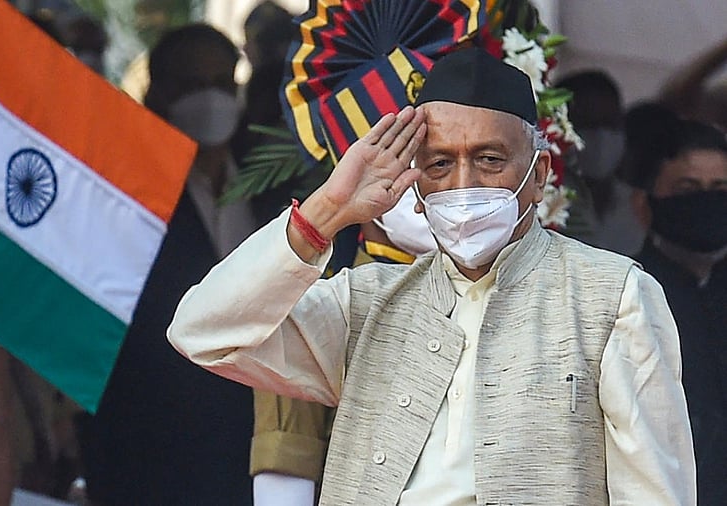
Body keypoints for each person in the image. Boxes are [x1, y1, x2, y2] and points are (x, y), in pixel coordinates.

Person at [168, 47, 696, 504]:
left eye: (489, 159)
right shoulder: (367, 302)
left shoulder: (612, 296)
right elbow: (204, 334)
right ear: (413, 186)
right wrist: (327, 210)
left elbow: (653, 493)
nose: (463, 184)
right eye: (439, 164)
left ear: (538, 177)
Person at [80, 23, 256, 505]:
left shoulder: (270, 183)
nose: (211, 99)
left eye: (222, 83)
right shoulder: (122, 191)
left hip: (250, 437)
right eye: (192, 84)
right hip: (146, 436)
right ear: (158, 91)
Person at [632, 119, 727, 505]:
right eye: (688, 189)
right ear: (643, 205)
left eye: (720, 190)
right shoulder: (625, 296)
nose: (706, 201)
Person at [555, 70, 644, 255]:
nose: (601, 136)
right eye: (587, 124)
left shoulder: (638, 206)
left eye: (609, 124)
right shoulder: (543, 201)